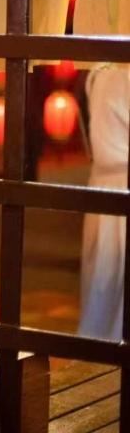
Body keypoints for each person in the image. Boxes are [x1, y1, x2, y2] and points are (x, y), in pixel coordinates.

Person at [79, 64, 130, 339]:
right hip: (119, 181)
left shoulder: (98, 73)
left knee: (102, 277)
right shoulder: (115, 74)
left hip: (103, 182)